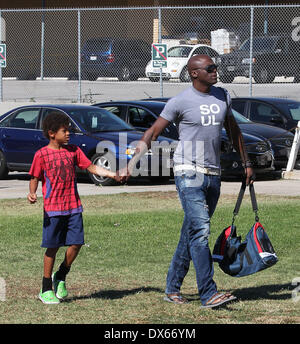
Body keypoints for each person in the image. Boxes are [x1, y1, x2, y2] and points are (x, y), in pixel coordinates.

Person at [117, 54, 254, 309]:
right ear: (194, 73)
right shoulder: (180, 101)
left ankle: (172, 288)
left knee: (190, 233)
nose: (215, 71)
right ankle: (208, 293)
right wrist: (131, 163)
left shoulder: (223, 95)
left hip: (213, 173)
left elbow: (233, 129)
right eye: (210, 68)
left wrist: (246, 163)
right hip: (187, 170)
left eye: (215, 67)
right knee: (201, 232)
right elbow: (153, 132)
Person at [27, 112, 117, 304]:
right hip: (53, 209)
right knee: (52, 247)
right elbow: (34, 177)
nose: (68, 134)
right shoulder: (41, 155)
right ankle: (45, 288)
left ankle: (60, 275)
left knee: (76, 244)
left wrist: (112, 174)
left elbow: (91, 167)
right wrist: (32, 193)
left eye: (69, 130)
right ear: (52, 133)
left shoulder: (74, 151)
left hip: (73, 207)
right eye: (64, 130)